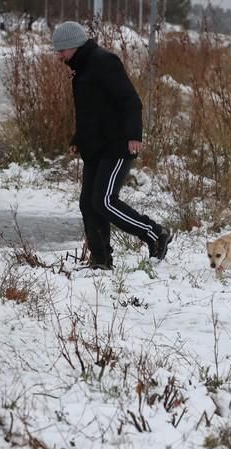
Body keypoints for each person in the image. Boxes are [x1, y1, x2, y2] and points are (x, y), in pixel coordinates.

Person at [52, 21, 173, 270]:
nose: (59, 55)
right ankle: (101, 260)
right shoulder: (81, 68)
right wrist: (78, 139)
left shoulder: (103, 62)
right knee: (88, 203)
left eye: (61, 49)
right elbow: (91, 112)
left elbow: (130, 100)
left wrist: (133, 135)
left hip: (117, 144)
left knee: (105, 200)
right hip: (96, 147)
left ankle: (155, 234)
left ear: (73, 46)